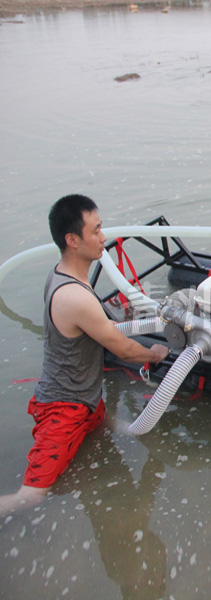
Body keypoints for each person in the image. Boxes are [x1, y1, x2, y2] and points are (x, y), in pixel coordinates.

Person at [0, 195, 170, 516]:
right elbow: (122, 348)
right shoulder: (74, 297)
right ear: (72, 240)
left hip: (87, 401)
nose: (103, 237)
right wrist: (155, 353)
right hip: (63, 409)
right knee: (31, 497)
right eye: (96, 230)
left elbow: (97, 327)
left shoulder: (62, 274)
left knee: (101, 443)